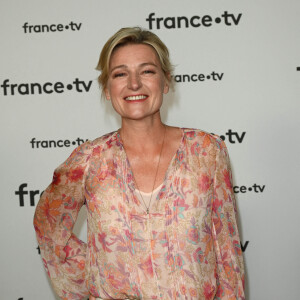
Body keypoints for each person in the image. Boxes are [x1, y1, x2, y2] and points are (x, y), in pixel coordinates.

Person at [34, 27, 245, 300]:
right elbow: (49, 225)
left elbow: (227, 254)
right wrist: (93, 276)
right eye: (120, 74)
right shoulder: (89, 160)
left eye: (147, 71)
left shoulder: (207, 152)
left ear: (166, 82)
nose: (134, 84)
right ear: (107, 89)